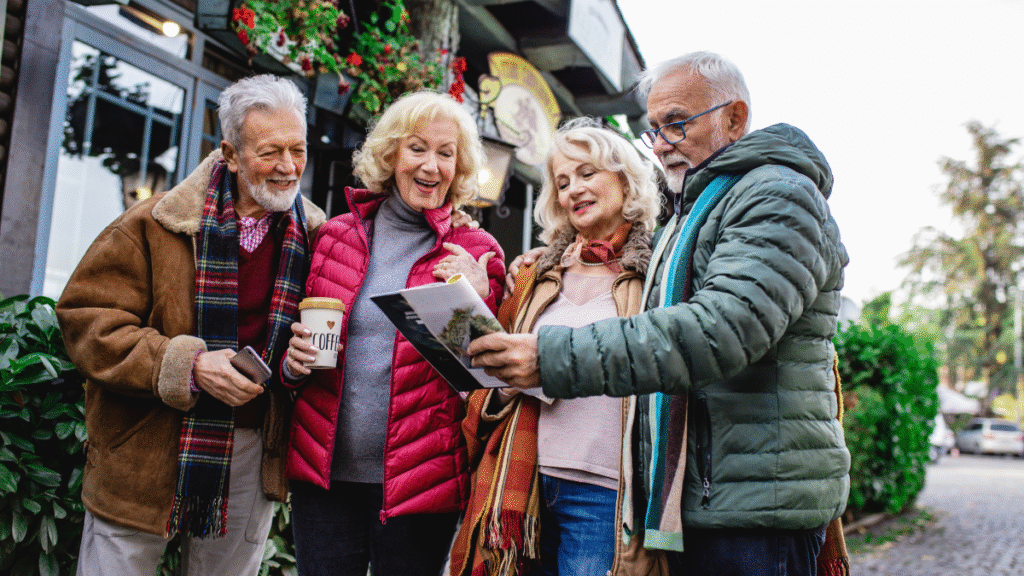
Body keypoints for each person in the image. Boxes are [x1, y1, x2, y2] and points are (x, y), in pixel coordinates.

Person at [469, 51, 851, 576]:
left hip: (756, 512)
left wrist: (553, 354)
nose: (663, 143)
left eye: (677, 123)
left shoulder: (776, 195)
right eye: (654, 129)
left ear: (735, 118)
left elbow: (720, 331)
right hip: (709, 499)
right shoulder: (697, 207)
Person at [56, 75, 325, 575]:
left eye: (298, 149)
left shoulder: (318, 236)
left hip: (251, 451)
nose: (288, 167)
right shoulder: (152, 223)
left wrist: (295, 365)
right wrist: (189, 365)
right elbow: (86, 321)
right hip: (144, 445)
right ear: (230, 153)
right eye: (270, 152)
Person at [281, 90, 506, 576]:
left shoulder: (475, 248)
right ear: (390, 155)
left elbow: (485, 369)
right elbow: (293, 340)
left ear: (459, 166)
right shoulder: (335, 236)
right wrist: (291, 363)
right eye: (417, 148)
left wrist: (480, 296)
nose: (431, 166)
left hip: (421, 481)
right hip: (325, 474)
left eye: (446, 153)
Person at [449, 119, 667, 576]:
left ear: (624, 178)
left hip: (605, 490)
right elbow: (487, 380)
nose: (573, 190)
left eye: (587, 174)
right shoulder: (537, 274)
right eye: (563, 182)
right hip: (525, 486)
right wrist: (505, 380)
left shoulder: (658, 275)